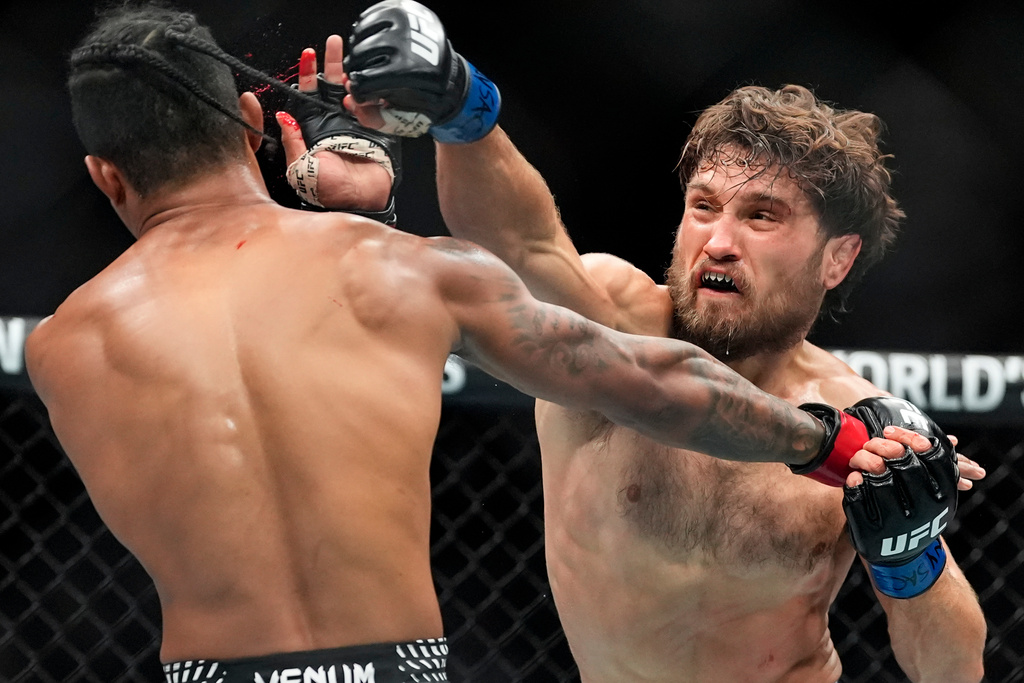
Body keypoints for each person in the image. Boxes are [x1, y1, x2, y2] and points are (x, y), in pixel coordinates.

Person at [23, 5, 897, 682]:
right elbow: (655, 384)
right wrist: (828, 440)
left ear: (105, 175)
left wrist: (353, 227)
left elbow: (244, 434)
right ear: (254, 118)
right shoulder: (403, 274)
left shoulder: (64, 348)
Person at [294, 2, 989, 681]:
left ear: (837, 259)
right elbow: (524, 245)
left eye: (762, 216)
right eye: (704, 207)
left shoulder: (862, 425)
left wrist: (910, 553)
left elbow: (953, 670)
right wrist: (460, 108)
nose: (719, 241)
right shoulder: (616, 328)